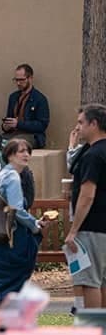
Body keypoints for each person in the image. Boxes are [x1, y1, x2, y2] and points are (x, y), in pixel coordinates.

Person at [0, 138, 45, 299]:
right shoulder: (12, 177)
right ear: (10, 155)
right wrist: (35, 225)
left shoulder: (0, 175)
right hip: (11, 238)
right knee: (11, 286)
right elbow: (17, 210)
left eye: (28, 151)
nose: (26, 155)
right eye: (21, 151)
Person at [65, 104, 106, 310]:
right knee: (103, 281)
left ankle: (92, 332)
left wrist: (73, 230)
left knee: (90, 281)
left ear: (94, 123)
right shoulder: (92, 152)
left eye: (81, 122)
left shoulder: (93, 156)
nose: (78, 127)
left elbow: (87, 195)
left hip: (91, 225)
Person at [3, 64, 50, 148]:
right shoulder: (13, 97)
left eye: (21, 80)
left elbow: (42, 125)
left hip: (33, 135)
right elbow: (9, 118)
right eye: (16, 80)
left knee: (14, 143)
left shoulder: (39, 99)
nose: (18, 83)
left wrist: (19, 124)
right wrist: (5, 126)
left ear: (30, 78)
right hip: (13, 133)